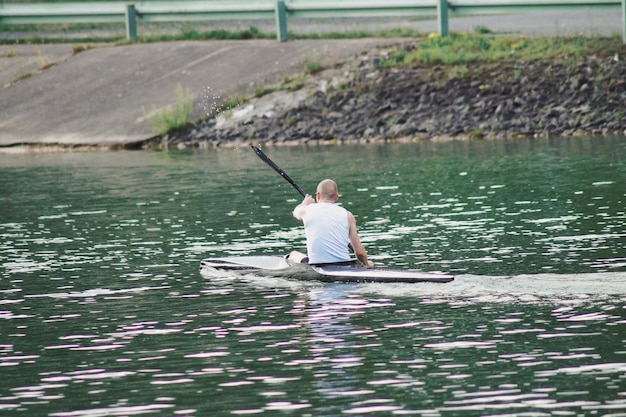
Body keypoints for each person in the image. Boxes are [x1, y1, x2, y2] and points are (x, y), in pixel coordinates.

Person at [292, 179, 373, 267]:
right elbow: (360, 253)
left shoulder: (307, 210)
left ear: (318, 195)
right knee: (370, 264)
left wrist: (305, 203)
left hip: (317, 266)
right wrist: (366, 264)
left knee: (293, 255)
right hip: (344, 265)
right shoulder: (348, 215)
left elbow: (296, 212)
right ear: (336, 197)